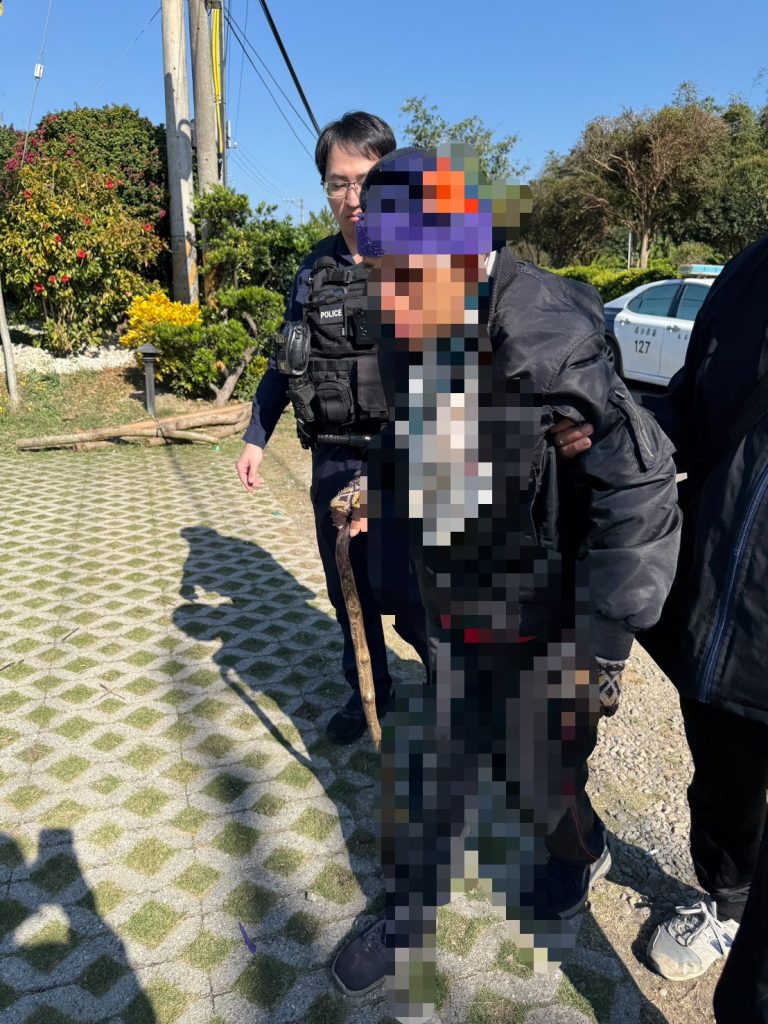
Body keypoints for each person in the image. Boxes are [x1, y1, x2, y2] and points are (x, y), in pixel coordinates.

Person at [329, 145, 682, 1019]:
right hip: (458, 596)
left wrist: (603, 651)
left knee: (543, 778)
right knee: (431, 766)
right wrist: (381, 488)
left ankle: (580, 851)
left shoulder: (546, 338)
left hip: (550, 614)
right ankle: (409, 916)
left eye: (401, 273)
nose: (389, 298)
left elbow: (637, 494)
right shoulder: (412, 314)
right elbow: (415, 430)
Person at [235, 112, 431, 745]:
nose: (353, 198)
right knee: (350, 587)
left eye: (366, 180)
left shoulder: (420, 261)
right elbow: (286, 357)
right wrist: (256, 434)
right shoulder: (312, 270)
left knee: (418, 588)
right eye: (338, 183)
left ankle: (456, 689)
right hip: (335, 457)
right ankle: (368, 687)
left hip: (409, 459)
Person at [634, 234, 768, 1014]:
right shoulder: (751, 269)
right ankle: (725, 899)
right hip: (723, 615)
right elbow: (690, 406)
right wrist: (610, 428)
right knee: (722, 781)